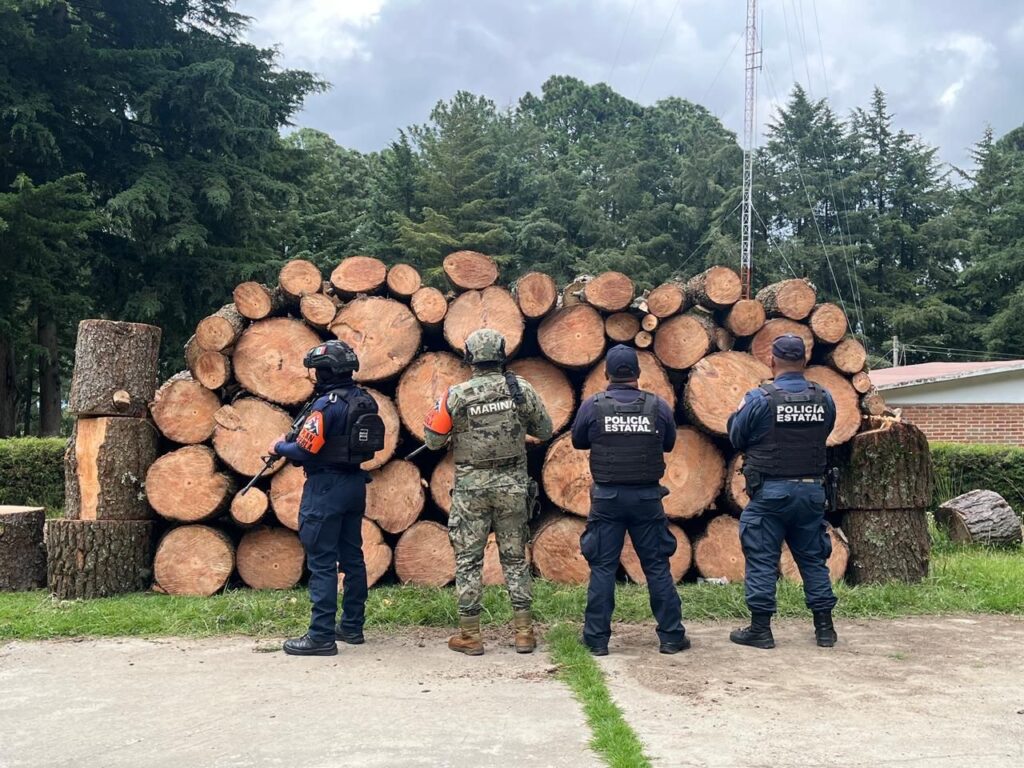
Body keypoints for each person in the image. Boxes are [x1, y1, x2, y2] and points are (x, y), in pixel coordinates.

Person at [423, 328, 553, 656]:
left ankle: (470, 636)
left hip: (471, 490)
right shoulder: (520, 390)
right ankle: (524, 633)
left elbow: (433, 441)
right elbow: (545, 429)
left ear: (469, 357)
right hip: (512, 487)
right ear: (502, 354)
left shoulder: (457, 395)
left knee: (468, 560)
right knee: (514, 559)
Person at [570, 344, 688, 656]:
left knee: (603, 567)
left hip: (607, 498)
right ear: (637, 373)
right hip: (647, 498)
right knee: (656, 566)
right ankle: (672, 636)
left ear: (607, 373)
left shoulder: (593, 405)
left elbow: (579, 440)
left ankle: (596, 639)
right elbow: (669, 443)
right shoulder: (657, 406)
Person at [271, 340, 385, 657]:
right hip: (354, 484)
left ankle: (320, 636)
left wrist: (279, 447)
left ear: (325, 372)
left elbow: (304, 449)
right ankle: (352, 625)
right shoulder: (364, 400)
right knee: (352, 558)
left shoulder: (326, 406)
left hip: (325, 487)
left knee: (322, 561)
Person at [727, 333, 839, 649]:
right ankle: (825, 630)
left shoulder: (759, 398)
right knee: (813, 559)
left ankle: (761, 630)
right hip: (811, 491)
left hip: (770, 494)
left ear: (772, 360)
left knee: (762, 559)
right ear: (804, 361)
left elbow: (736, 436)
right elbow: (826, 430)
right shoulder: (824, 397)